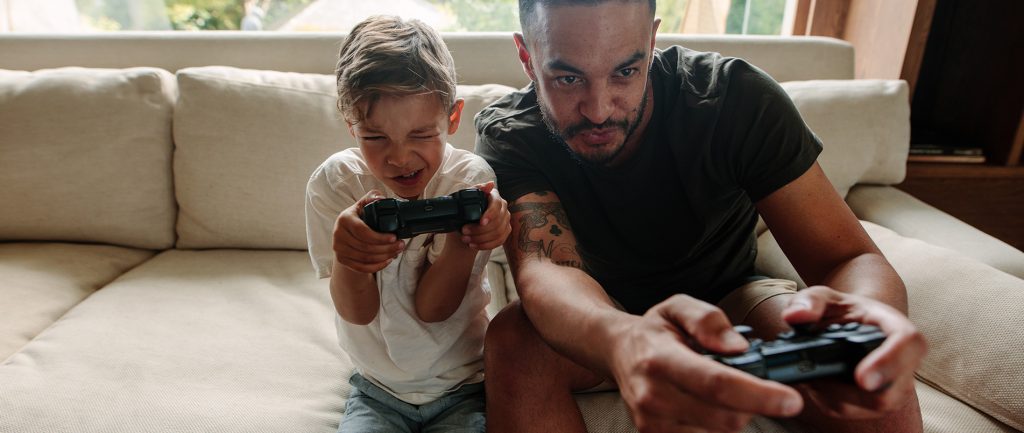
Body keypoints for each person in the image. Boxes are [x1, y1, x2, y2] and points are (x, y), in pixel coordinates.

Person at [475, 1, 927, 432]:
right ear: (527, 57)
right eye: (568, 78)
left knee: (874, 391)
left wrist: (867, 323)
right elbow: (549, 270)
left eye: (626, 72)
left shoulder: (735, 98)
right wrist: (624, 339)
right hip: (597, 317)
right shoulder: (512, 133)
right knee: (514, 340)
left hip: (732, 299)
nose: (599, 109)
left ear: (651, 41)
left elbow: (846, 257)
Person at [305, 15, 511, 433]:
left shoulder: (468, 182)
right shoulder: (337, 183)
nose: (399, 158)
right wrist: (350, 258)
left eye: (420, 134)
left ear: (452, 118)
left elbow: (434, 310)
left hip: (464, 384)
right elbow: (357, 312)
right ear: (351, 126)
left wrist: (464, 241)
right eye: (375, 137)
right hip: (376, 389)